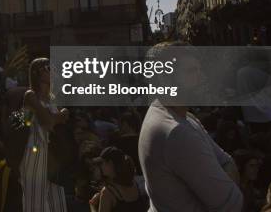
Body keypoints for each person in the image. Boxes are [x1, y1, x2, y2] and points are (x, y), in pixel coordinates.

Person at [138, 42, 243, 211]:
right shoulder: (175, 132)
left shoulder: (181, 116)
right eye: (191, 71)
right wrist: (224, 178)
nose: (202, 78)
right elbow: (232, 203)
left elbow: (227, 161)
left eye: (199, 70)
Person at [20, 58, 69, 212]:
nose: (53, 70)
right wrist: (59, 116)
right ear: (36, 73)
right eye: (48, 67)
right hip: (34, 151)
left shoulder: (53, 97)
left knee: (57, 202)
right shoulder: (30, 95)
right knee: (36, 202)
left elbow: (53, 120)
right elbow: (48, 122)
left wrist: (55, 117)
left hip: (54, 152)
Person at [89, 147, 147, 212]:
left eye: (102, 163)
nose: (101, 166)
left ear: (110, 164)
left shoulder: (108, 193)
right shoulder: (134, 184)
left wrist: (92, 205)